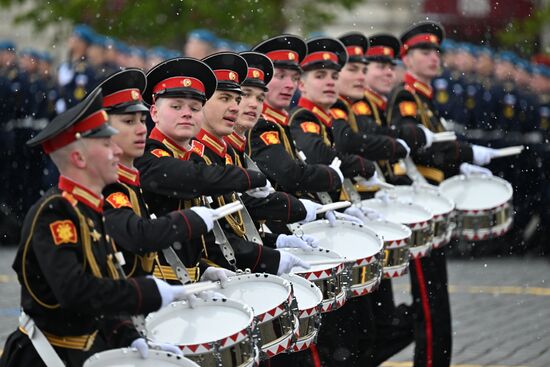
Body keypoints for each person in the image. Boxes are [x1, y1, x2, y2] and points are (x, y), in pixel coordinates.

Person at [0, 88, 192, 367]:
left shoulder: (89, 209)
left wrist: (126, 335)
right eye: (106, 144)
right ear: (79, 158)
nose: (117, 150)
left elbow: (105, 280)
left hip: (84, 352)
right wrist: (144, 293)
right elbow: (76, 291)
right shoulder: (55, 214)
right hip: (43, 358)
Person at [387, 21, 498, 367]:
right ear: (406, 58)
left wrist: (460, 164)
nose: (434, 57)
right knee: (430, 303)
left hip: (433, 205)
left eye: (437, 51)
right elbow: (419, 146)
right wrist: (465, 153)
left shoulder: (424, 97)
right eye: (424, 51)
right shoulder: (406, 96)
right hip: (419, 205)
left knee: (436, 299)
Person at [134, 57, 288, 277]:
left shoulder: (187, 158)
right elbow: (192, 178)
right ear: (154, 113)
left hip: (189, 281)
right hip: (159, 290)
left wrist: (203, 269)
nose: (187, 113)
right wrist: (250, 178)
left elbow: (203, 239)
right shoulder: (148, 157)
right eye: (176, 106)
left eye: (195, 107)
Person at [95, 68, 232, 286]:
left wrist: (201, 269)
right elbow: (138, 236)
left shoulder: (131, 179)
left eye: (141, 121)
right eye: (129, 122)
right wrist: (190, 221)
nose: (141, 129)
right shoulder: (112, 183)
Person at [332, 32, 409, 193]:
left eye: (364, 71)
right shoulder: (337, 107)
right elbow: (349, 142)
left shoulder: (348, 105)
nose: (361, 77)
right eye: (353, 70)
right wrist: (396, 142)